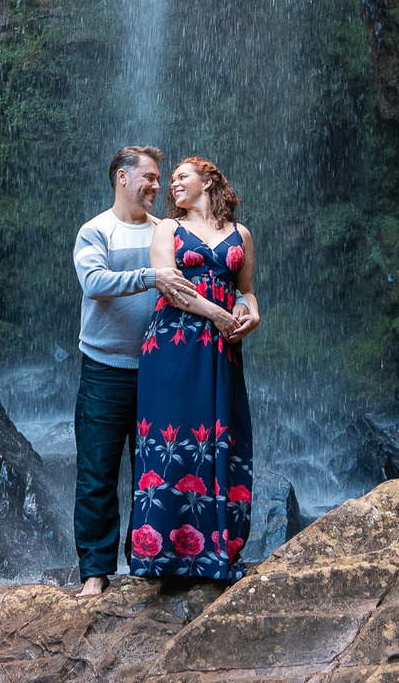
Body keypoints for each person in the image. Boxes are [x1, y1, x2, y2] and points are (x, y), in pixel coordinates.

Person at [72, 145, 201, 597]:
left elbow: (201, 277)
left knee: (156, 472)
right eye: (149, 177)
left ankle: (147, 563)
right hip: (104, 369)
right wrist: (150, 276)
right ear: (122, 178)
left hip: (158, 369)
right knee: (97, 472)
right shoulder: (96, 230)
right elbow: (93, 282)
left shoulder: (165, 231)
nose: (157, 186)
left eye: (159, 178)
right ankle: (95, 571)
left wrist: (241, 304)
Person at [129, 155, 259, 583]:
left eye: (181, 176)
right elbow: (171, 287)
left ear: (208, 181)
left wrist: (251, 313)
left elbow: (246, 292)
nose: (172, 185)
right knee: (172, 438)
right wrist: (218, 315)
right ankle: (161, 557)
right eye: (171, 180)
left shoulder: (241, 234)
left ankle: (216, 555)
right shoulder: (168, 228)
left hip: (222, 349)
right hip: (173, 343)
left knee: (219, 436)